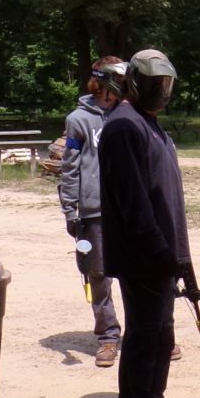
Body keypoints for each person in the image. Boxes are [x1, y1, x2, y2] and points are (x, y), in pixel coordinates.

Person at [98, 48, 200, 398]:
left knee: (147, 336)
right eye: (157, 84)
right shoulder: (125, 126)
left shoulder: (146, 122)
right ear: (136, 83)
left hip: (158, 253)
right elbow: (134, 205)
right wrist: (160, 254)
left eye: (167, 83)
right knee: (152, 342)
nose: (164, 91)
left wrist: (180, 256)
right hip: (145, 257)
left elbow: (163, 196)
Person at [59, 57, 126, 367]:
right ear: (101, 81)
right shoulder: (78, 119)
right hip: (94, 210)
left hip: (128, 207)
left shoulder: (128, 113)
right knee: (98, 274)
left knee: (137, 272)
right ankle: (108, 336)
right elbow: (70, 166)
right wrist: (70, 209)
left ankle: (148, 332)